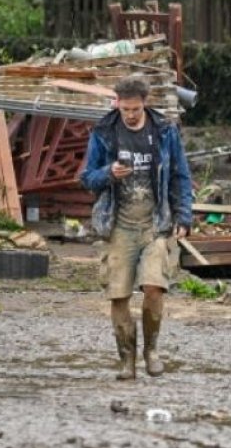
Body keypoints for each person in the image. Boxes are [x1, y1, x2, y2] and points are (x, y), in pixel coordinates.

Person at [80, 76, 193, 380]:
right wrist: (109, 173)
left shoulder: (164, 131)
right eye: (124, 108)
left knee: (155, 287)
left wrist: (184, 217)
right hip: (118, 226)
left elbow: (180, 175)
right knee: (118, 295)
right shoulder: (104, 132)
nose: (129, 114)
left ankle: (151, 350)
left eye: (134, 108)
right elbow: (87, 178)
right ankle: (126, 359)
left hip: (155, 224)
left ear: (145, 103)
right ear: (117, 103)